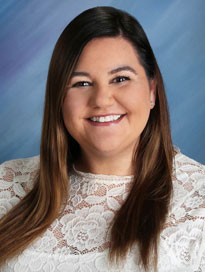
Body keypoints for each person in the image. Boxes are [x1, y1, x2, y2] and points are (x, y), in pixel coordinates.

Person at [0, 6, 204, 272]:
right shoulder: (7, 184)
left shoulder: (198, 204)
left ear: (152, 91)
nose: (101, 100)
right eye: (82, 83)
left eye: (120, 79)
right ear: (59, 98)